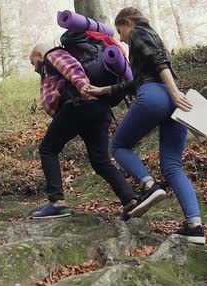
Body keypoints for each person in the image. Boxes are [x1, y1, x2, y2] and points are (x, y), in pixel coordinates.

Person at [83, 7, 205, 244]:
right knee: (172, 165)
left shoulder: (139, 32)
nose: (120, 37)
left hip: (158, 96)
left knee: (119, 146)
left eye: (120, 31)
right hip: (173, 103)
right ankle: (195, 226)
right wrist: (102, 90)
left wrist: (174, 91)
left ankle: (149, 185)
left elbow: (159, 66)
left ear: (128, 22)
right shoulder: (154, 39)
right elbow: (133, 83)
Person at [29, 43, 159, 220]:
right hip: (98, 109)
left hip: (78, 106)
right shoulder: (53, 62)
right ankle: (130, 201)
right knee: (100, 161)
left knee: (48, 149)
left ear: (38, 54)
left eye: (33, 63)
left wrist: (82, 85)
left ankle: (57, 203)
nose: (35, 68)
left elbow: (71, 67)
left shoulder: (53, 54)